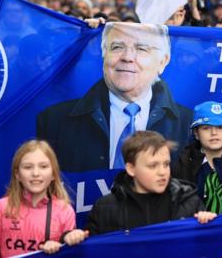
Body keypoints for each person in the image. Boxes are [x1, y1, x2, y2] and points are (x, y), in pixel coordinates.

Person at [37, 21, 193, 172]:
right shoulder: (54, 121)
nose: (127, 57)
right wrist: (85, 28)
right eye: (117, 47)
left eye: (142, 49)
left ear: (163, 62)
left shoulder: (188, 124)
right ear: (103, 55)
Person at [85, 131, 217, 235]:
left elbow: (208, 246)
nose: (162, 172)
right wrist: (70, 237)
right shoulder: (105, 209)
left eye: (166, 164)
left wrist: (209, 224)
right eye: (153, 166)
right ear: (131, 169)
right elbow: (90, 250)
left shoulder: (189, 202)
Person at [0, 140, 84, 256]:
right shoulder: (2, 206)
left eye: (43, 166)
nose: (35, 173)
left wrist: (67, 240)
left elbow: (68, 253)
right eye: (28, 167)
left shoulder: (64, 210)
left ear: (53, 174)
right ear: (17, 175)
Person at [173, 101, 222, 214]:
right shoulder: (182, 166)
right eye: (206, 128)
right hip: (194, 229)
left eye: (220, 127)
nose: (214, 133)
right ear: (196, 133)